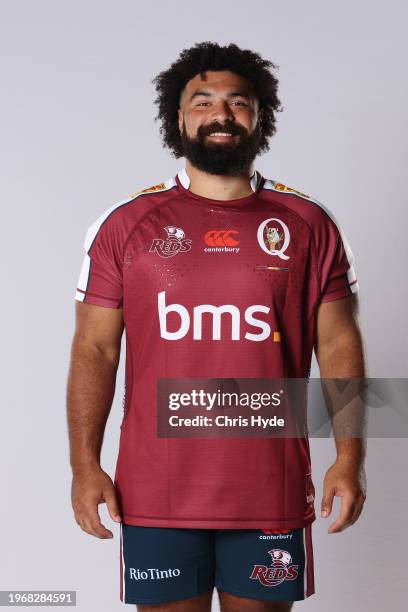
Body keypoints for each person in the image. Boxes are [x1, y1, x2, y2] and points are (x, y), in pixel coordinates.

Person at [66, 41, 367, 611]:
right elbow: (96, 351)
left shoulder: (307, 224)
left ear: (259, 116)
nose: (221, 114)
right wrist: (85, 467)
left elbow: (338, 343)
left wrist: (349, 461)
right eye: (202, 102)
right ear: (178, 119)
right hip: (158, 490)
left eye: (238, 102)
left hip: (269, 487)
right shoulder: (126, 225)